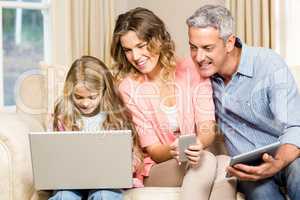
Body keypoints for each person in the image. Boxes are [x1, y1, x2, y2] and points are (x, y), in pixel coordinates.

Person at [111, 7, 235, 200]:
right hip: (158, 167)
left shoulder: (191, 70)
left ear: (158, 39)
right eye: (128, 50)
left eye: (141, 45)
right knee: (207, 161)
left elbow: (207, 126)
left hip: (195, 155)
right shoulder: (129, 88)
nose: (135, 56)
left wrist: (197, 144)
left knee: (226, 164)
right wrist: (174, 149)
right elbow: (153, 151)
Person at [186, 4, 300, 200]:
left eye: (207, 48)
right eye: (193, 47)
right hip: (247, 167)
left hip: (285, 154)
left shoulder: (268, 64)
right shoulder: (199, 78)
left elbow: (294, 125)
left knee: (298, 172)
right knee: (262, 193)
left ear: (229, 42)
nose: (199, 57)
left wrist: (278, 162)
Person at [49, 56, 143, 200]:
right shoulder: (64, 115)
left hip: (107, 182)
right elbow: (52, 153)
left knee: (104, 194)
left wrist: (129, 165)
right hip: (71, 181)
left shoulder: (115, 115)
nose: (85, 103)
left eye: (92, 97)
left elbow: (134, 151)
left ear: (104, 91)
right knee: (64, 196)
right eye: (79, 97)